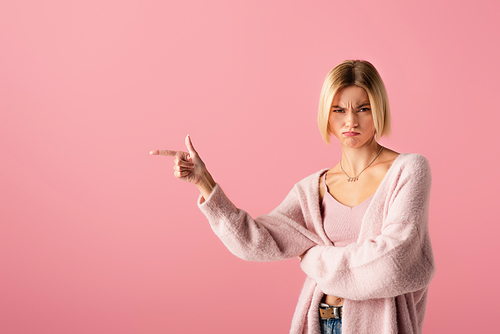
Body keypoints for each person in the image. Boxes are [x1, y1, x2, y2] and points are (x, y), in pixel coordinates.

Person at [150, 60, 435, 334]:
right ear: (326, 114)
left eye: (363, 108)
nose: (351, 121)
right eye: (338, 110)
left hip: (379, 325)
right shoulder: (313, 189)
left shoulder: (408, 170)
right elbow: (255, 242)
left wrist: (314, 258)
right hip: (320, 321)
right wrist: (204, 182)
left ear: (378, 109)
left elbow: (393, 261)